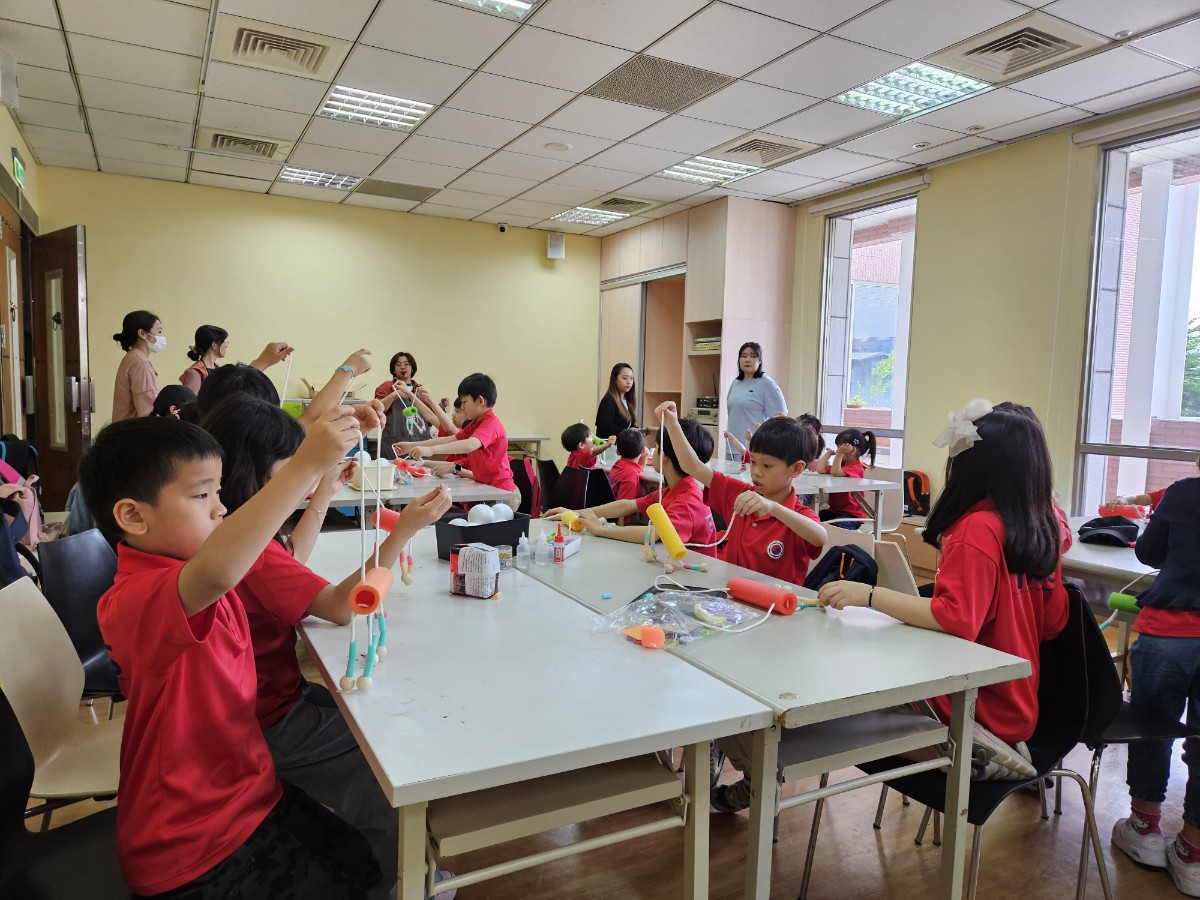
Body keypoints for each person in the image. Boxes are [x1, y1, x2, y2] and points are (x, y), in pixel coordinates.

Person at [77, 412, 383, 897]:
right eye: (202, 495)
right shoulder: (136, 598)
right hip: (190, 844)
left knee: (366, 865)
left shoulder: (199, 569)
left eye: (219, 492)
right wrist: (305, 465)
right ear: (133, 516)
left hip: (250, 796)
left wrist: (322, 477)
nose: (222, 509)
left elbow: (260, 557)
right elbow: (220, 571)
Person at [202, 394, 453, 886]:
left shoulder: (238, 535)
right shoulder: (250, 548)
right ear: (257, 471)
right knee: (387, 758)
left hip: (262, 704)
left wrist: (322, 491)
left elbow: (291, 556)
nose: (295, 472)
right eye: (288, 465)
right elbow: (342, 607)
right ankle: (399, 882)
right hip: (268, 721)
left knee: (372, 716)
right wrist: (403, 532)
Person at [817, 400, 1070, 784]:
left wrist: (869, 595)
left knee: (842, 700)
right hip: (1017, 704)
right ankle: (976, 750)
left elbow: (956, 618)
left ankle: (962, 754)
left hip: (972, 703)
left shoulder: (978, 529)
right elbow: (1054, 623)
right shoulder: (1044, 527)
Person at [1111, 461, 1200, 896]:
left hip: (1172, 631)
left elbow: (1148, 553)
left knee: (1152, 729)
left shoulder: (1184, 492)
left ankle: (1144, 828)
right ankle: (1193, 854)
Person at [658, 401, 825, 583]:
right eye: (753, 461)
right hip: (731, 594)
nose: (756, 472)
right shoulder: (740, 493)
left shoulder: (799, 515)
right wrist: (672, 424)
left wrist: (774, 508)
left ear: (796, 469)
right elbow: (693, 467)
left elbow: (820, 537)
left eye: (767, 465)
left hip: (775, 599)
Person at [549, 416, 715, 549]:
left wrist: (600, 529)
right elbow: (626, 505)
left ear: (664, 457)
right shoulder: (676, 489)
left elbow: (655, 533)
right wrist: (575, 512)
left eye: (656, 447)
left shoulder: (687, 501)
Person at [395, 373, 519, 509]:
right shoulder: (474, 425)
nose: (463, 407)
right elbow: (450, 439)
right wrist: (411, 445)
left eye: (465, 402)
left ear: (480, 401)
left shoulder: (491, 424)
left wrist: (430, 450)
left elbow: (471, 444)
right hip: (487, 490)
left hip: (502, 494)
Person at [179, 324, 292, 393]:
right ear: (214, 345)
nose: (226, 345)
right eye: (224, 341)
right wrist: (264, 361)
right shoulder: (195, 373)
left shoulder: (220, 370)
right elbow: (191, 408)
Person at [373, 352, 444, 457]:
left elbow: (430, 416)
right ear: (393, 370)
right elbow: (378, 408)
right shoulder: (386, 387)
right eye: (398, 364)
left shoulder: (420, 389)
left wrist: (441, 405)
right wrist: (394, 395)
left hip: (421, 443)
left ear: (412, 368)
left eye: (406, 364)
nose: (403, 367)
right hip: (394, 444)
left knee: (421, 467)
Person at [725, 342, 787, 446]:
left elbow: (781, 419)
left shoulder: (768, 384)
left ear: (760, 361)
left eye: (753, 356)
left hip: (756, 447)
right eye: (744, 356)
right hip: (732, 445)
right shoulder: (735, 383)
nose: (747, 359)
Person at [111, 310, 164, 421]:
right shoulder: (141, 363)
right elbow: (150, 411)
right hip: (135, 430)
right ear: (142, 334)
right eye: (159, 332)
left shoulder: (131, 358)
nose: (162, 337)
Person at [818, 427, 877, 524]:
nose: (837, 451)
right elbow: (820, 469)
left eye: (839, 448)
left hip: (852, 515)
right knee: (812, 519)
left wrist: (839, 454)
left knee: (832, 528)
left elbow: (836, 472)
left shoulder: (857, 467)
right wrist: (828, 453)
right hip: (835, 512)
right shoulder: (841, 465)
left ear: (852, 450)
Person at [595, 363, 637, 439]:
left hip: (623, 444)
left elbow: (628, 426)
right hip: (610, 445)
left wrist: (638, 431)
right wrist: (628, 432)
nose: (629, 382)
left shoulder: (627, 401)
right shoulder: (608, 401)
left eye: (631, 378)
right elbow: (605, 427)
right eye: (625, 378)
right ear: (615, 380)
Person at [607, 428, 647, 506]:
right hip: (618, 511)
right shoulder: (630, 475)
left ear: (617, 452)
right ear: (643, 451)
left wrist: (645, 456)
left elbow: (638, 469)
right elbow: (623, 507)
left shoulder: (619, 464)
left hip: (608, 507)